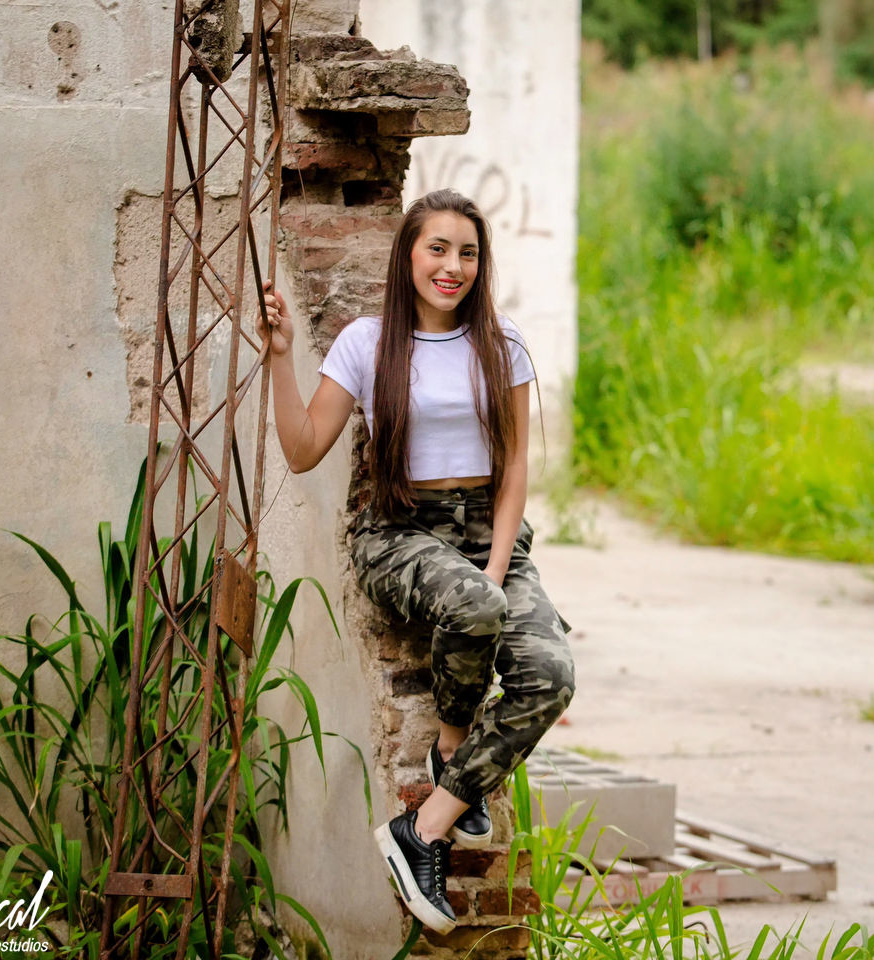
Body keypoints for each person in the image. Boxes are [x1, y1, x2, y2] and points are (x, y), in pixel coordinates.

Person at [257, 188, 576, 935]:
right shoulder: (367, 344)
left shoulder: (505, 346)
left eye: (467, 252)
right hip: (400, 533)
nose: (453, 266)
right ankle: (450, 761)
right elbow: (304, 450)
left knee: (550, 675)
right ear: (408, 255)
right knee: (475, 605)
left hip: (489, 533)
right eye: (438, 248)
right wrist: (278, 361)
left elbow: (516, 469)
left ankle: (426, 822)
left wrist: (495, 572)